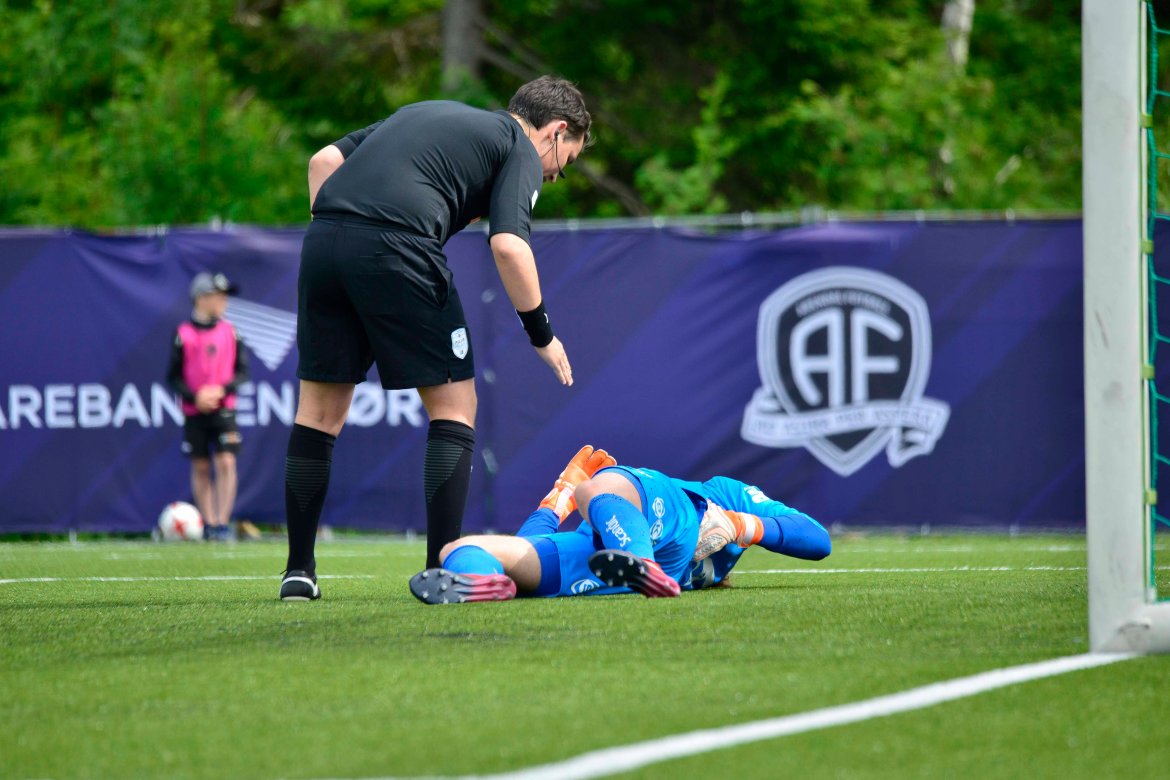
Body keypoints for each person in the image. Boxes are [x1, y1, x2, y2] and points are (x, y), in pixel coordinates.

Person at [279, 76, 592, 601]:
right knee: (454, 405)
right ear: (556, 131)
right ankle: (441, 570)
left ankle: (298, 572)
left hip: (324, 242)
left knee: (318, 414)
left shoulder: (427, 111)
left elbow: (322, 163)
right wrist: (543, 335)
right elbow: (510, 246)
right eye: (567, 160)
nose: (557, 175)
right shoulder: (517, 144)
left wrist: (343, 234)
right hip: (397, 245)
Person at [407, 446, 832, 604]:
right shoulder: (612, 539)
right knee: (461, 549)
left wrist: (744, 525)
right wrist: (558, 500)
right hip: (610, 561)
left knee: (597, 487)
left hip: (666, 532)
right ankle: (483, 584)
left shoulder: (721, 491)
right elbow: (528, 547)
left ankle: (637, 559)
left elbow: (818, 539)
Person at [167, 272, 248, 542]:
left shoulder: (231, 332)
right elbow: (173, 377)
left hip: (224, 409)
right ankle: (210, 524)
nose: (224, 301)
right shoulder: (183, 334)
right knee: (201, 465)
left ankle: (223, 523)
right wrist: (194, 397)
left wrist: (221, 391)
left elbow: (242, 373)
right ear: (202, 298)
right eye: (219, 296)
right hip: (195, 411)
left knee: (226, 460)